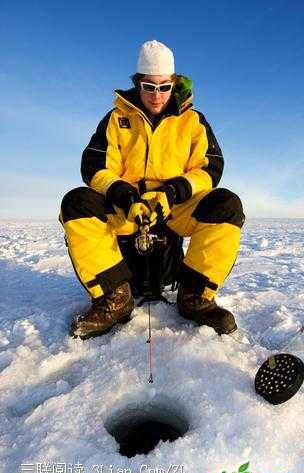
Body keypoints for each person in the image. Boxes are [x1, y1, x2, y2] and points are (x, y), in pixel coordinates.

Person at [59, 40, 245, 340]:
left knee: (227, 205)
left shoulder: (194, 121)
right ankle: (114, 298)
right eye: (149, 85)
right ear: (137, 83)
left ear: (173, 83)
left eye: (163, 86)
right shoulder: (115, 119)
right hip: (128, 209)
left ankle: (195, 296)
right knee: (76, 203)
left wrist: (173, 193)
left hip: (174, 209)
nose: (156, 95)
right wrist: (123, 194)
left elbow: (210, 167)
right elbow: (94, 166)